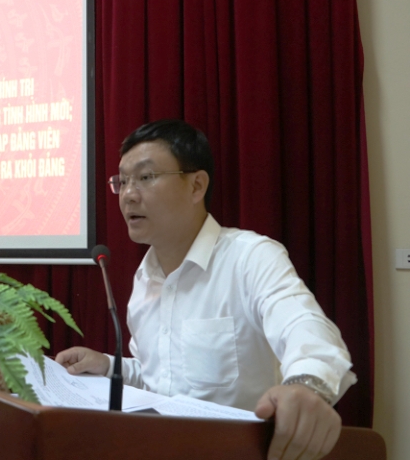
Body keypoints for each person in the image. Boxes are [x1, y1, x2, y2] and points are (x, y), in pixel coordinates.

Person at [56, 120, 355, 460]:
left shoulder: (250, 257)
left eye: (146, 177)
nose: (128, 195)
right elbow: (160, 378)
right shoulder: (144, 279)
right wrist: (109, 366)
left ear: (196, 185)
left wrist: (306, 386)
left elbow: (304, 326)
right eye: (122, 181)